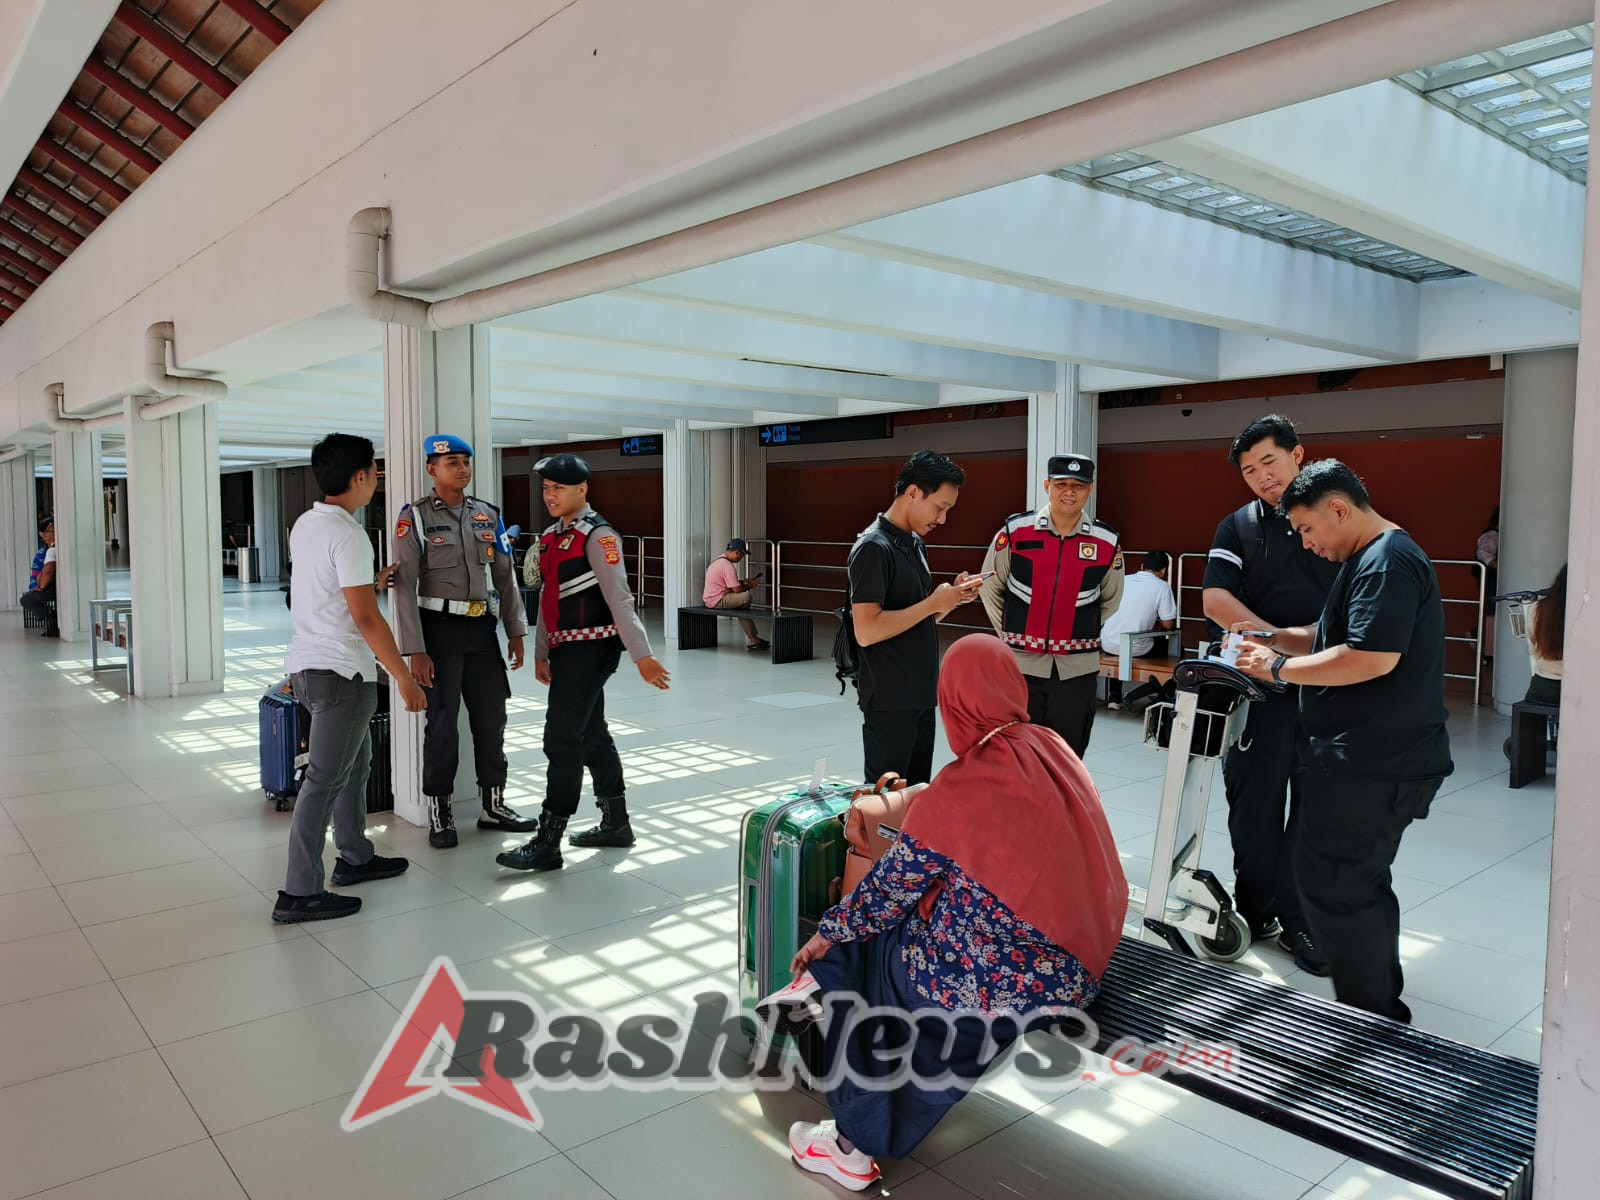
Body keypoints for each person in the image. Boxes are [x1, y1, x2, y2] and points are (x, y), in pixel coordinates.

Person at [786, 634, 1127, 1189]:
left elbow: (890, 889)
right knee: (898, 924)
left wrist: (827, 934)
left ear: (952, 703)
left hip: (1015, 984)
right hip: (1079, 963)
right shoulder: (1051, 746)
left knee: (872, 951)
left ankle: (849, 1144)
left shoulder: (963, 785)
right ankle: (825, 997)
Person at [1235, 460, 1453, 1024]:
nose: (1307, 544)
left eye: (1308, 529)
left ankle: (1373, 1020)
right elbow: (1332, 634)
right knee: (1349, 883)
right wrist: (1273, 638)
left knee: (1338, 888)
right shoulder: (1370, 558)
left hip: (1374, 763)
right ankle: (1372, 1007)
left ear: (1338, 508)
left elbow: (1370, 657)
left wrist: (1278, 669)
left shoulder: (1387, 562)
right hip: (1365, 759)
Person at [1201, 414, 1340, 974]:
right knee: (1253, 805)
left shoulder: (1334, 518)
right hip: (1257, 690)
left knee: (1316, 808)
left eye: (1270, 462)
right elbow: (1215, 600)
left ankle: (1301, 919)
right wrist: (1276, 647)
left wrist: (1291, 650)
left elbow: (1356, 605)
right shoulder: (1239, 526)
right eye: (1249, 470)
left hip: (1324, 688)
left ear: (1297, 455)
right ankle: (1257, 910)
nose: (1262, 476)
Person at [273, 434, 427, 925]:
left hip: (307, 665)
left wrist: (371, 581)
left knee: (354, 765)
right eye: (375, 472)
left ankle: (356, 855)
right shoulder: (350, 534)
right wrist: (403, 677)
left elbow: (326, 590)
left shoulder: (307, 524)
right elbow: (365, 618)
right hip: (340, 673)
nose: (376, 481)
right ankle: (299, 892)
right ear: (360, 477)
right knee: (323, 779)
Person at [496, 453, 671, 872]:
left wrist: (643, 655)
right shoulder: (553, 536)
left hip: (592, 649)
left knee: (561, 739)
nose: (550, 496)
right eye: (546, 488)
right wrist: (542, 652)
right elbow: (549, 599)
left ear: (582, 489)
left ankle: (548, 841)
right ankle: (616, 824)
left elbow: (620, 598)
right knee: (591, 735)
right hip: (566, 650)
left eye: (558, 488)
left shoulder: (598, 535)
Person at [392, 435, 539, 849]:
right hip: (438, 631)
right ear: (431, 469)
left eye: (465, 462)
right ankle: (440, 812)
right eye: (451, 462)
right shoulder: (415, 517)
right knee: (442, 724)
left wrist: (515, 630)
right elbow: (403, 585)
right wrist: (415, 649)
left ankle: (494, 805)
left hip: (482, 630)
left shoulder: (487, 514)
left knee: (492, 719)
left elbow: (505, 575)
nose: (461, 469)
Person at [847, 451, 982, 786]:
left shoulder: (914, 543)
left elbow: (917, 620)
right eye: (940, 507)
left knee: (917, 794)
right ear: (912, 493)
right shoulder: (873, 547)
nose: (943, 519)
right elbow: (867, 630)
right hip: (889, 698)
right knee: (887, 799)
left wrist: (950, 600)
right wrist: (932, 602)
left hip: (919, 693)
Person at [980, 454, 1123, 758]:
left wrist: (1074, 631)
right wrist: (1010, 634)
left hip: (1077, 672)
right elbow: (991, 586)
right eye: (1061, 484)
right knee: (1016, 753)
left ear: (1090, 489)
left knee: (1067, 756)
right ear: (1047, 486)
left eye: (1078, 485)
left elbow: (1111, 598)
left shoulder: (1106, 541)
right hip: (1020, 666)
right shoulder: (1015, 531)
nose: (1069, 491)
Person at [1099, 549, 1177, 658]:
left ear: (1142, 566)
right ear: (1163, 571)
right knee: (1176, 648)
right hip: (1135, 649)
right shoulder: (1162, 587)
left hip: (1107, 644)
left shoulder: (1122, 580)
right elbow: (1168, 624)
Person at [703, 538, 769, 651]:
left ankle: (754, 638)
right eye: (742, 555)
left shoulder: (718, 561)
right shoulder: (727, 566)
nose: (741, 558)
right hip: (718, 600)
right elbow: (737, 590)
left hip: (711, 599)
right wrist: (750, 585)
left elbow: (729, 584)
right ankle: (753, 637)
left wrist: (744, 582)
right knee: (746, 597)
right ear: (737, 552)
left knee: (742, 606)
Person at [1523, 563, 1565, 708]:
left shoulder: (1538, 608)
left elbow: (1532, 638)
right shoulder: (1589, 613)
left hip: (1542, 686)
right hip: (1578, 688)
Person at [19, 518, 58, 638]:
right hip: (52, 585)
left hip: (52, 587)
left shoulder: (52, 550)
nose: (45, 535)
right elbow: (41, 572)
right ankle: (51, 619)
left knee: (26, 599)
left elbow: (48, 571)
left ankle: (51, 619)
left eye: (49, 531)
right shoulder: (46, 551)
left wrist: (41, 587)